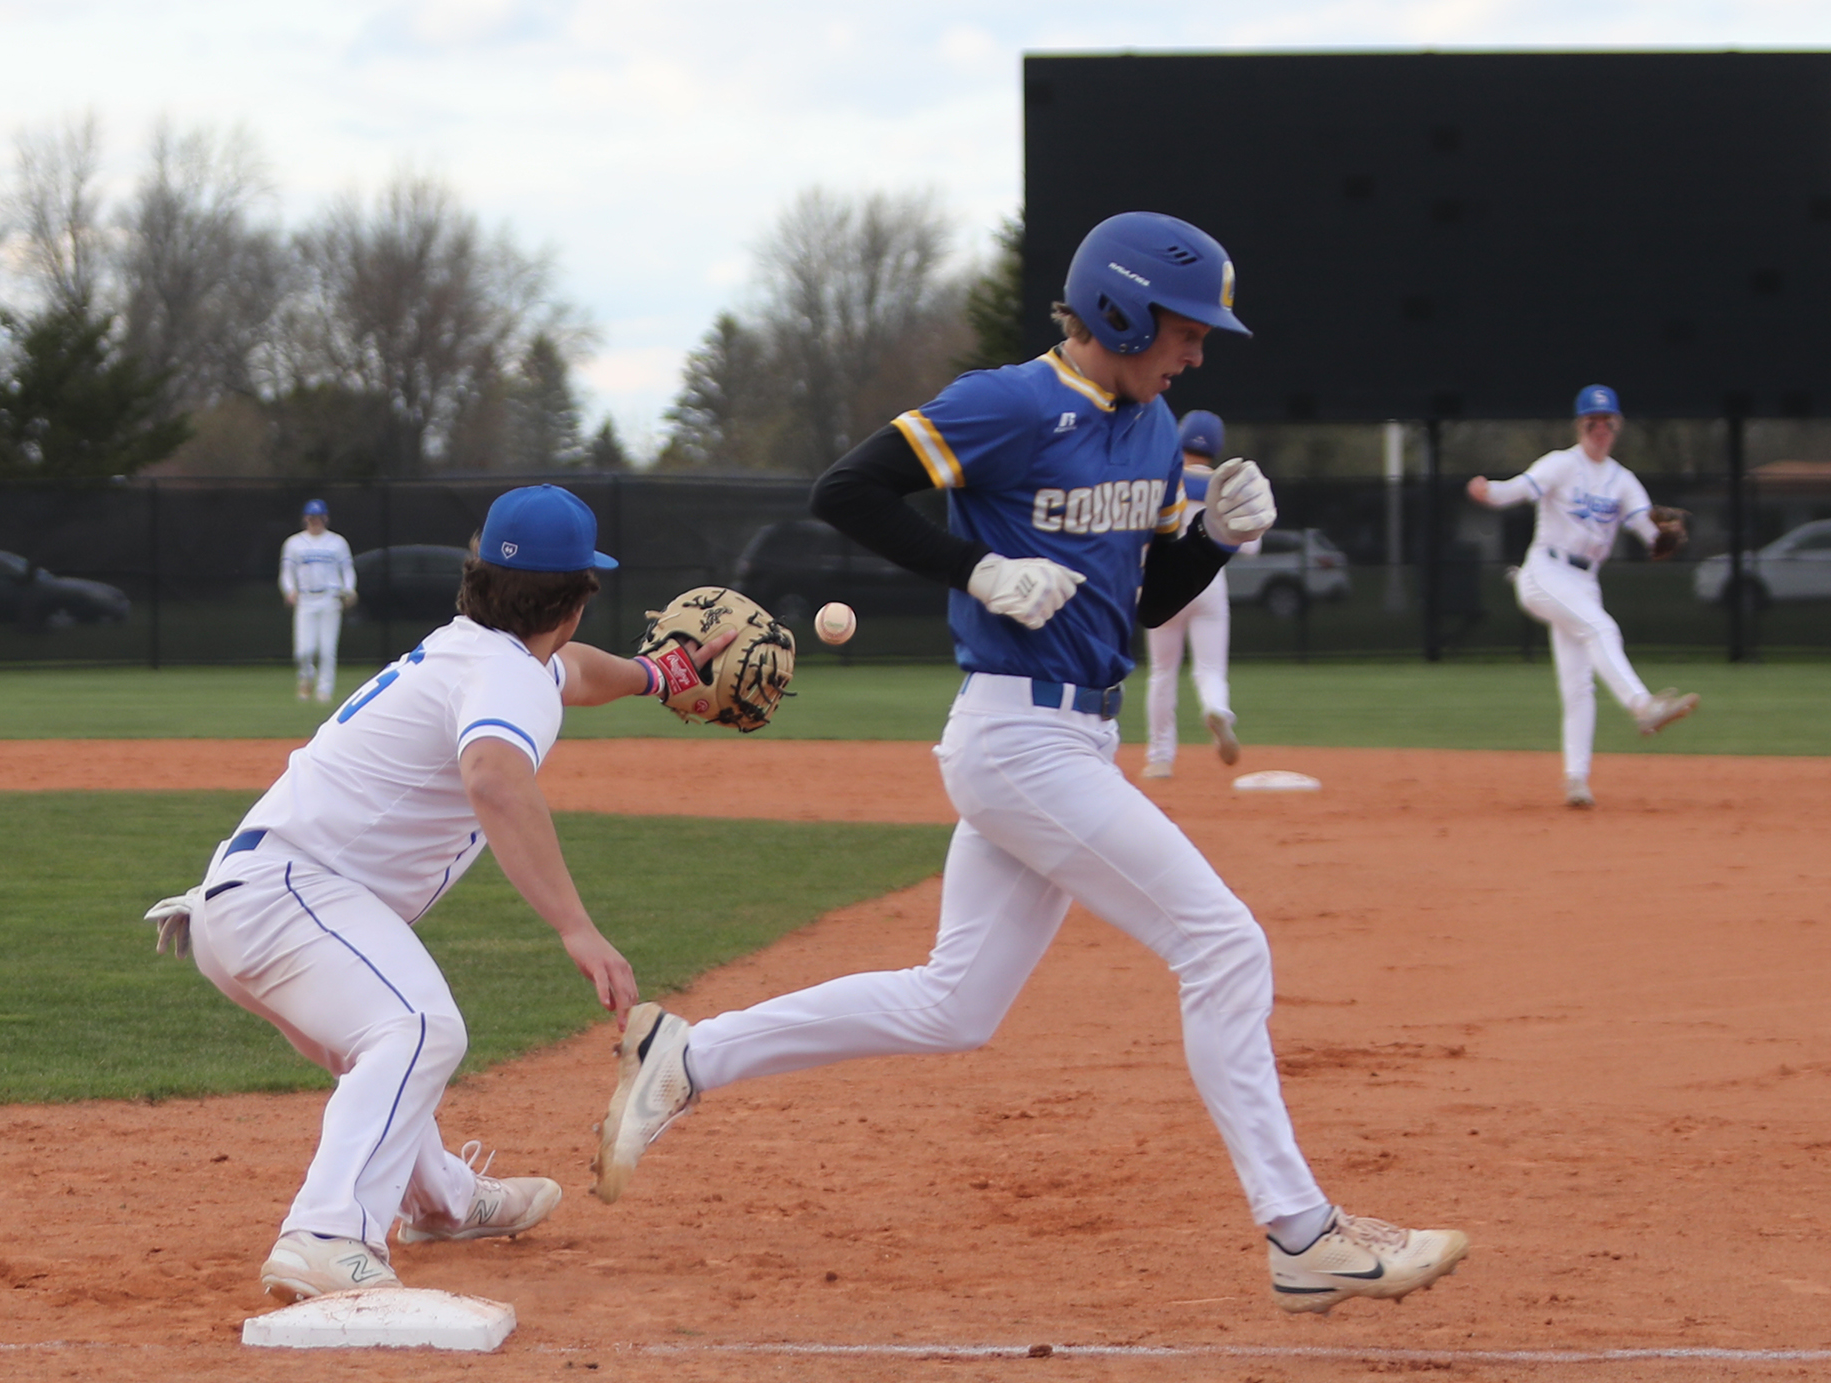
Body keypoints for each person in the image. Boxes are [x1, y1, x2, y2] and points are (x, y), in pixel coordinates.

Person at [590, 212, 1470, 1315]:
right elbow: (845, 489)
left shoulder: (1151, 431)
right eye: (1184, 328)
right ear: (1116, 308)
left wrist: (1213, 542)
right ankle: (1299, 1232)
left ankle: (685, 1056)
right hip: (1015, 735)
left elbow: (1135, 603)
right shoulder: (1005, 403)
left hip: (1074, 733)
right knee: (1222, 943)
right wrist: (978, 569)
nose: (1195, 351)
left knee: (953, 1004)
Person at [149, 484, 731, 1302]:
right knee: (418, 1026)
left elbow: (572, 672)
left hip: (247, 903)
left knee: (385, 1043)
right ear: (573, 602)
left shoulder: (480, 654)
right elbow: (494, 777)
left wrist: (656, 675)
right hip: (290, 898)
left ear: (480, 575)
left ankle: (442, 1202)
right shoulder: (507, 677)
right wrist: (578, 927)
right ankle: (326, 1232)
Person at [1467, 386, 1699, 808]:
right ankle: (1641, 705)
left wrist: (1662, 539)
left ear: (1617, 427)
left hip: (1584, 582)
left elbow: (1648, 532)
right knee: (1601, 628)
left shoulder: (1622, 481)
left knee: (1578, 686)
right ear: (1580, 426)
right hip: (1544, 571)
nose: (1600, 429)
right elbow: (1515, 490)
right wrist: (1488, 491)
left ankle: (1576, 781)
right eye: (1592, 422)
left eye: (1607, 422)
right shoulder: (1561, 464)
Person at [1141, 409, 1256, 778]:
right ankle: (1216, 710)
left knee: (1162, 672)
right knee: (1210, 669)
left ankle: (1160, 757)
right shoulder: (1225, 485)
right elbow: (1250, 545)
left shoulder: (1163, 479)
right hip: (1208, 582)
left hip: (1161, 583)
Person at [279, 500, 357, 703]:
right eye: (312, 518)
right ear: (306, 519)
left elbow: (347, 569)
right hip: (306, 598)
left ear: (326, 519)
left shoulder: (337, 542)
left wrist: (348, 590)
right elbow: (287, 572)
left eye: (319, 518)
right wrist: (289, 590)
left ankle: (324, 691)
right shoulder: (294, 543)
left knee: (327, 649)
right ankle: (306, 677)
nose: (316, 522)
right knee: (303, 651)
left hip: (330, 597)